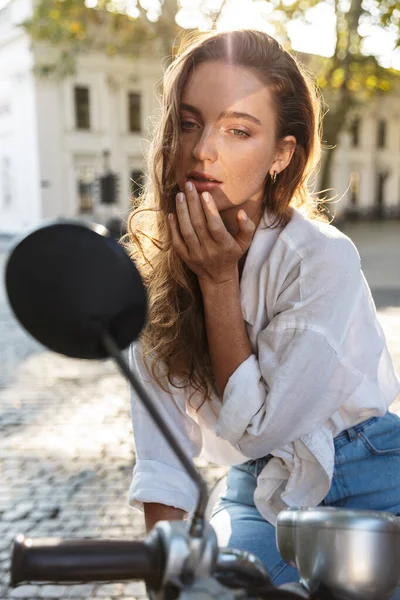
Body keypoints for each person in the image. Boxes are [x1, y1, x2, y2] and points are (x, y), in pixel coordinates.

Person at [124, 28, 400, 590]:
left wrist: (219, 282)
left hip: (377, 473)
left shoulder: (322, 258)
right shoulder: (155, 282)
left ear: (282, 153)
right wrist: (168, 583)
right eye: (189, 122)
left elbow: (259, 426)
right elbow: (164, 461)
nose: (203, 150)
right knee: (209, 587)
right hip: (260, 490)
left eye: (238, 130)